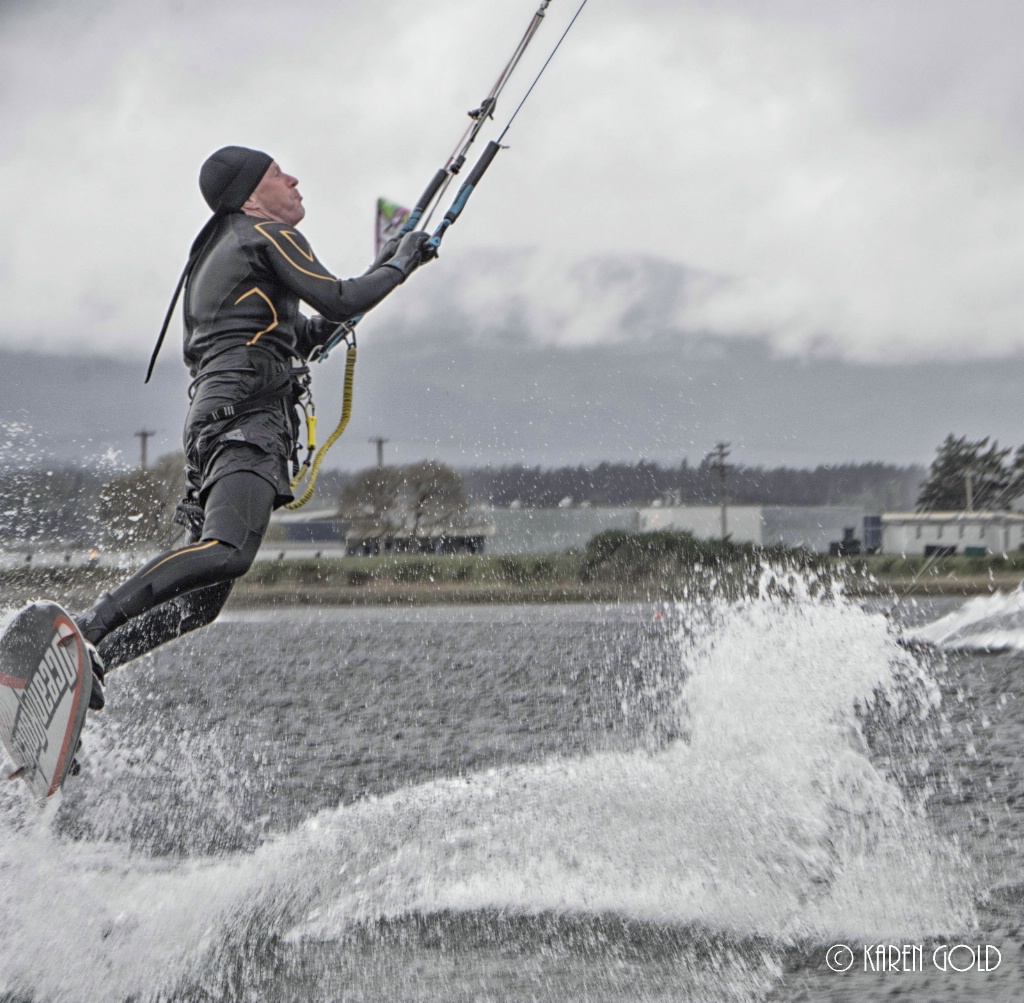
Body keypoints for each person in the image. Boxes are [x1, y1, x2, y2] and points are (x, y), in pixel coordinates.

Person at [75, 145, 433, 709]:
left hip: (215, 418)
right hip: (246, 415)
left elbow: (299, 331)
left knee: (203, 602)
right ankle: (88, 629)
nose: (292, 179)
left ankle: (92, 665)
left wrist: (380, 272)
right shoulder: (265, 233)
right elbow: (340, 298)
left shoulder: (221, 249)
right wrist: (400, 263)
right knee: (229, 549)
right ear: (248, 195)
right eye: (276, 173)